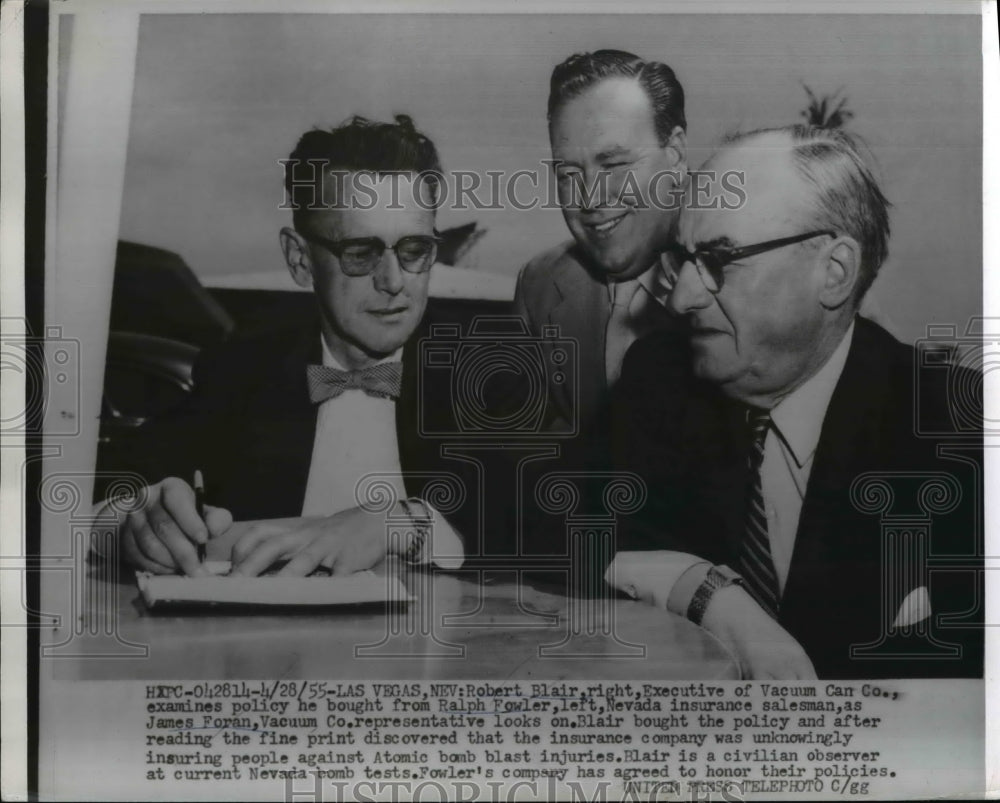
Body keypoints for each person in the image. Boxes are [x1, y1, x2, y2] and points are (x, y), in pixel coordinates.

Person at [606, 125, 982, 679]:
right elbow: (547, 522)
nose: (683, 296)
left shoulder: (958, 427)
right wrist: (702, 591)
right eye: (682, 259)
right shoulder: (661, 377)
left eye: (718, 258)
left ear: (833, 272)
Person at [109, 115, 471, 577]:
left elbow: (555, 516)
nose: (394, 282)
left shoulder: (488, 369)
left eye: (415, 249)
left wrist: (400, 523)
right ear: (301, 260)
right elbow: (108, 480)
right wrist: (131, 521)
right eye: (361, 253)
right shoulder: (243, 366)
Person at [514, 49, 687, 439]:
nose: (590, 197)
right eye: (569, 172)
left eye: (613, 165)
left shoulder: (737, 276)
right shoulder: (540, 285)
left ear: (675, 154)